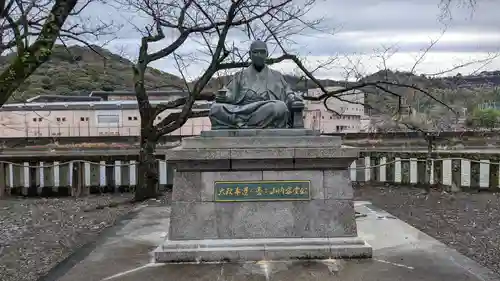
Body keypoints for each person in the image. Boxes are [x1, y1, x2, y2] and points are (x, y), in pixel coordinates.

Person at [209, 40, 304, 129]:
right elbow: (230, 93)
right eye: (255, 52)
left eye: (262, 52)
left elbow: (288, 93)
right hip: (242, 110)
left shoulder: (276, 76)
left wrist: (293, 98)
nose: (259, 55)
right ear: (250, 55)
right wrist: (225, 97)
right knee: (215, 108)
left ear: (267, 54)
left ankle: (241, 123)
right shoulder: (240, 75)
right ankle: (250, 122)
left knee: (279, 107)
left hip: (265, 108)